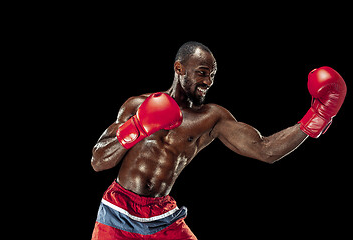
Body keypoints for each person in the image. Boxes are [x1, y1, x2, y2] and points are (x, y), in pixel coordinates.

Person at [91, 41, 346, 239]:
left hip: (162, 216)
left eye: (212, 75)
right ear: (179, 68)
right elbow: (98, 161)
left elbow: (265, 150)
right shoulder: (137, 105)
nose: (208, 82)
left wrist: (317, 117)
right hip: (117, 211)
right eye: (202, 73)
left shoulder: (211, 117)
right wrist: (137, 126)